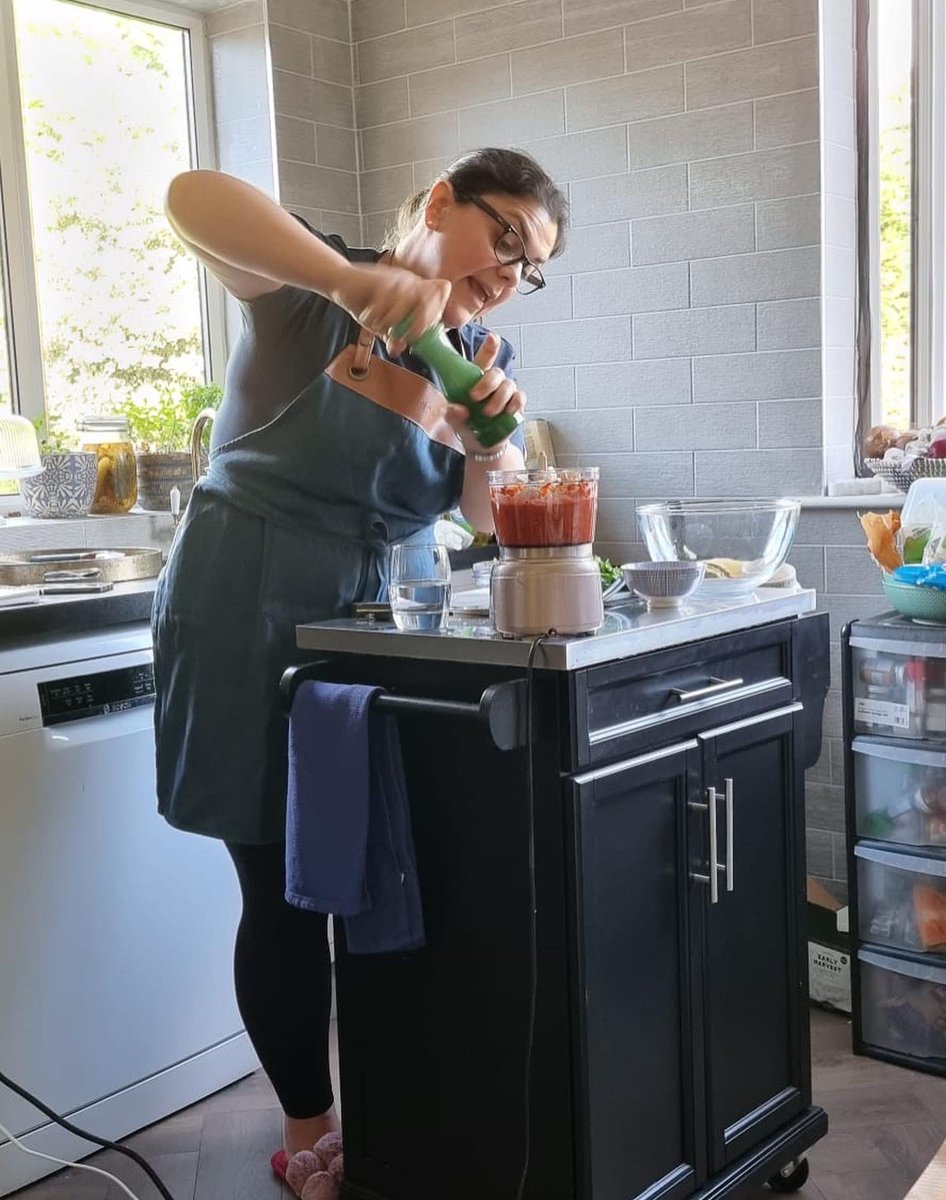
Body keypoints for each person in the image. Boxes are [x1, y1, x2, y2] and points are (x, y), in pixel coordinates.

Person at [152, 148, 567, 1169]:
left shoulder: (476, 348)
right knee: (280, 881)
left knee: (390, 871)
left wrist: (490, 443)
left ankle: (406, 1106)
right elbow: (187, 197)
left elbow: (487, 520)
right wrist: (348, 278)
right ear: (440, 201)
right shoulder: (307, 286)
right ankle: (310, 1133)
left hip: (392, 619)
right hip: (249, 598)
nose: (511, 270)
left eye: (533, 263)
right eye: (504, 235)